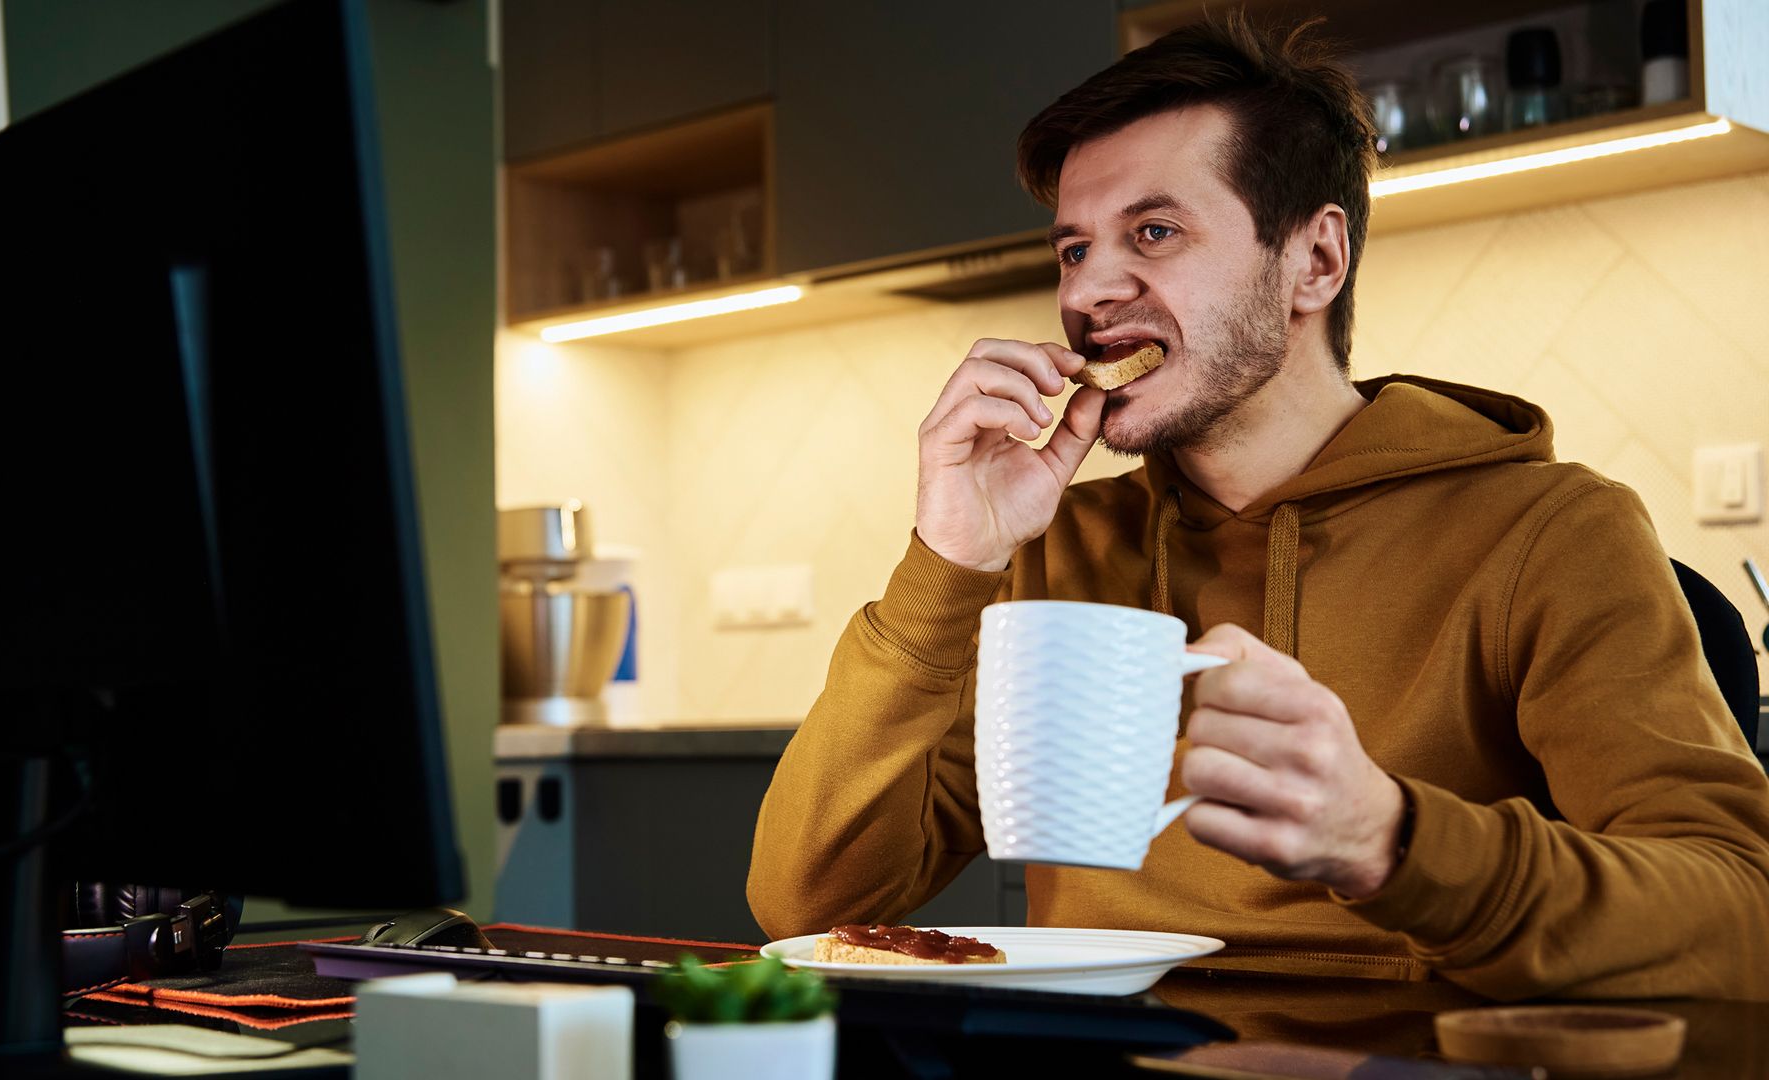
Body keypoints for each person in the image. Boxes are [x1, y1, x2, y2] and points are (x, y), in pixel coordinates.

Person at [745, 14, 1769, 1001]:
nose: (1091, 289)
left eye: (1153, 230)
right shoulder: (1056, 550)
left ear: (1314, 261)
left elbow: (1740, 917)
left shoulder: (1550, 531)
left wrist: (1394, 839)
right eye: (1072, 249)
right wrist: (948, 561)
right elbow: (810, 903)